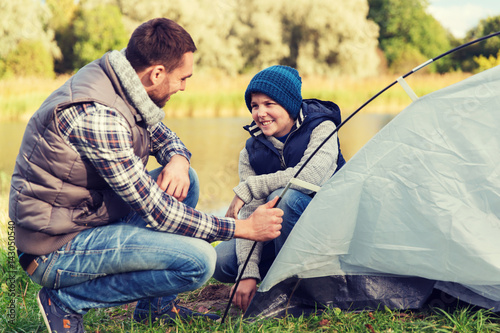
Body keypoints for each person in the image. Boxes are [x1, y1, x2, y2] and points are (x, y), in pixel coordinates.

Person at [9, 18, 283, 332]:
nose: (184, 87)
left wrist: (178, 160)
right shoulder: (99, 116)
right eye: (183, 78)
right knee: (199, 262)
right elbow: (159, 213)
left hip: (84, 219)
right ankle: (66, 302)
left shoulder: (122, 81)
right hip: (54, 250)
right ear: (156, 73)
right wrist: (243, 227)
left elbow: (163, 136)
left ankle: (156, 310)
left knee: (187, 180)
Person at [213, 65, 346, 311]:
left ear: (289, 104)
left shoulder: (322, 127)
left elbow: (311, 176)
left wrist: (252, 186)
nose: (260, 113)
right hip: (277, 234)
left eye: (269, 104)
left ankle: (299, 286)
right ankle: (271, 275)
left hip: (327, 231)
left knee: (283, 198)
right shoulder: (250, 150)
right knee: (220, 261)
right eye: (254, 106)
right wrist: (247, 273)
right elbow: (250, 211)